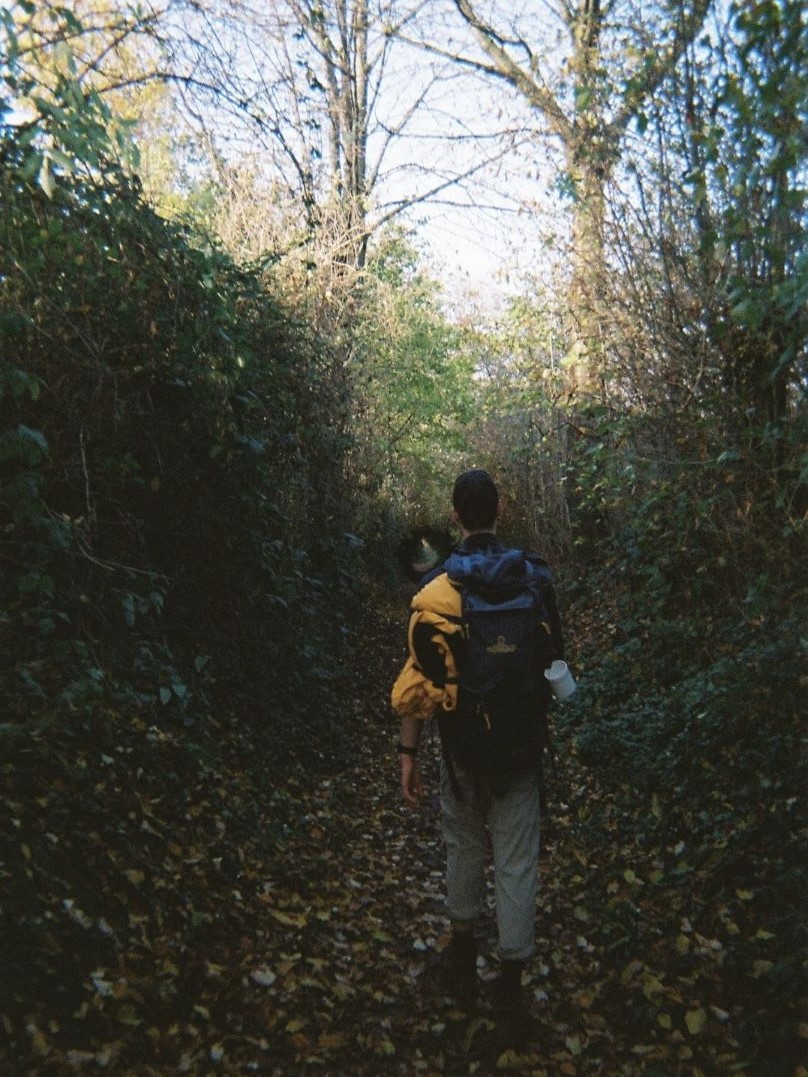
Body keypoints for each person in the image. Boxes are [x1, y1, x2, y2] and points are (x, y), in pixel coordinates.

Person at [391, 469, 565, 1044]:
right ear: (499, 510)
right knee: (516, 860)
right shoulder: (533, 577)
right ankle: (510, 986)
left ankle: (463, 961)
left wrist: (408, 752)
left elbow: (420, 677)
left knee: (463, 843)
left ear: (456, 516)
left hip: (462, 748)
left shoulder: (439, 585)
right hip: (520, 746)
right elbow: (554, 660)